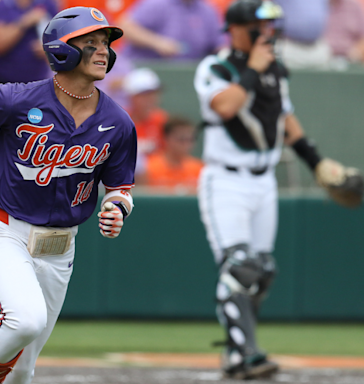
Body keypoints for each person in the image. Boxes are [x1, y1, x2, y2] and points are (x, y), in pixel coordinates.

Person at [0, 7, 136, 384]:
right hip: (6, 231)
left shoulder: (119, 122)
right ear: (62, 51)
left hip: (60, 248)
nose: (103, 51)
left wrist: (116, 207)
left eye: (105, 43)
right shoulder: (19, 99)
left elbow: (120, 187)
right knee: (26, 320)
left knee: (23, 371)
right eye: (90, 43)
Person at [194, 0, 362, 379]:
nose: (268, 33)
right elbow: (224, 106)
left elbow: (285, 118)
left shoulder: (275, 68)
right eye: (260, 25)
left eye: (271, 26)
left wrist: (315, 161)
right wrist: (252, 70)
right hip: (226, 179)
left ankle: (239, 352)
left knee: (263, 271)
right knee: (241, 267)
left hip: (264, 179)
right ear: (238, 28)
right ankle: (243, 353)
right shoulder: (216, 66)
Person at [118, 0, 226, 62]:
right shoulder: (157, 3)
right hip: (148, 72)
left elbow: (219, 45)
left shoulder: (207, 10)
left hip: (187, 76)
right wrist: (158, 42)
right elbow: (125, 27)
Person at [0, 0, 58, 85]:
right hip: (1, 80)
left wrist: (47, 48)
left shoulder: (47, 4)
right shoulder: (2, 6)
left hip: (36, 82)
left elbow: (59, 41)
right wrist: (26, 21)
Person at [140, 116, 202, 193]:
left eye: (190, 140)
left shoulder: (199, 169)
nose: (187, 145)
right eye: (181, 140)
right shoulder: (148, 168)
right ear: (166, 139)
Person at [123, 67, 167, 155]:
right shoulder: (119, 121)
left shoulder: (162, 119)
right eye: (145, 94)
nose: (151, 98)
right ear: (131, 96)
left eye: (154, 93)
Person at [324, 0, 364, 65]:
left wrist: (357, 51)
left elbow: (362, 38)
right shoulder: (316, 6)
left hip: (350, 60)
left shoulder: (354, 6)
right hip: (322, 60)